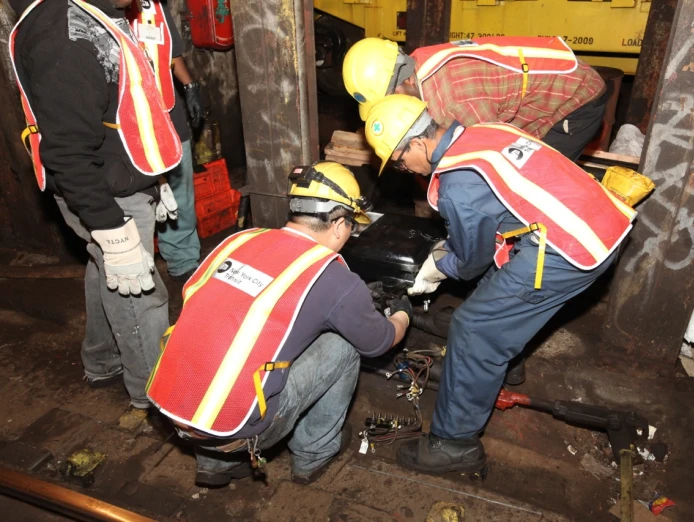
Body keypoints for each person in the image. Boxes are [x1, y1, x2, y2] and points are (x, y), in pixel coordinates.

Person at [363, 95, 636, 477]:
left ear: (417, 144)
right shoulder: (482, 132)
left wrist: (437, 266)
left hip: (568, 248)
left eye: (399, 160)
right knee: (496, 292)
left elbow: (470, 261)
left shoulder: (458, 182)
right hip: (600, 221)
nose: (403, 168)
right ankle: (504, 367)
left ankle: (453, 444)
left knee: (474, 330)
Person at [146, 162, 413, 488]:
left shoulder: (239, 239)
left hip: (169, 407)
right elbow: (378, 341)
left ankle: (214, 464)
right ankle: (312, 454)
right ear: (340, 224)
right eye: (351, 228)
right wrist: (402, 314)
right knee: (344, 345)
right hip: (237, 427)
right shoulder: (331, 275)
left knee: (223, 334)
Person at [8, 0, 182, 408]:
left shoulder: (93, 11)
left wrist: (151, 178)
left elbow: (120, 109)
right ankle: (152, 393)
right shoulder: (65, 37)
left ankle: (103, 359)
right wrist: (111, 226)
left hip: (118, 178)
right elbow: (68, 153)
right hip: (103, 191)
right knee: (141, 293)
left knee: (104, 266)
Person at [343, 36, 607, 161]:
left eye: (388, 98)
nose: (388, 108)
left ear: (407, 79)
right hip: (545, 85)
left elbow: (489, 159)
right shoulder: (417, 60)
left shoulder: (454, 104)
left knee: (538, 175)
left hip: (575, 99)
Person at [126, 0, 203, 280]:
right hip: (127, 122)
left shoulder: (154, 6)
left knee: (180, 190)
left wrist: (190, 85)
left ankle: (184, 263)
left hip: (167, 111)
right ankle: (137, 266)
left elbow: (170, 52)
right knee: (139, 198)